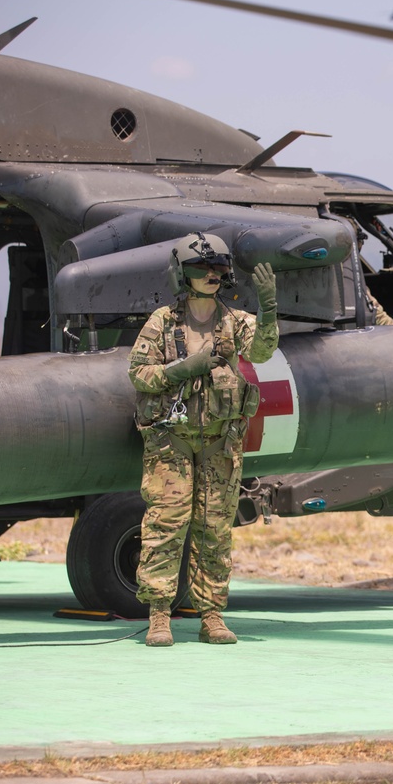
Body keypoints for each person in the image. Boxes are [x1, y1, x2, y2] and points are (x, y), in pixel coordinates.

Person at [128, 232, 279, 647]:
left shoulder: (236, 321)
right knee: (166, 524)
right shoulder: (162, 322)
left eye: (219, 268)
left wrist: (268, 308)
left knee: (214, 529)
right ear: (182, 274)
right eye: (201, 268)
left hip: (220, 439)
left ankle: (211, 614)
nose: (212, 275)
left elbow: (263, 352)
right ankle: (160, 615)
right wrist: (182, 368)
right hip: (170, 442)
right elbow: (138, 373)